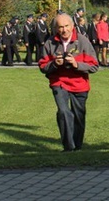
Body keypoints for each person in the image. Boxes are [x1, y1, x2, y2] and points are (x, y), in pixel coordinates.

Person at [39, 13, 99, 152]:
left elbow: (94, 66)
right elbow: (43, 66)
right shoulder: (50, 43)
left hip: (80, 83)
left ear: (72, 26)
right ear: (56, 29)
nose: (64, 30)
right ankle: (68, 147)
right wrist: (54, 64)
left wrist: (76, 64)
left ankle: (77, 146)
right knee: (64, 112)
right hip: (59, 82)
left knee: (79, 116)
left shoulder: (83, 41)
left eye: (66, 26)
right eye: (60, 27)